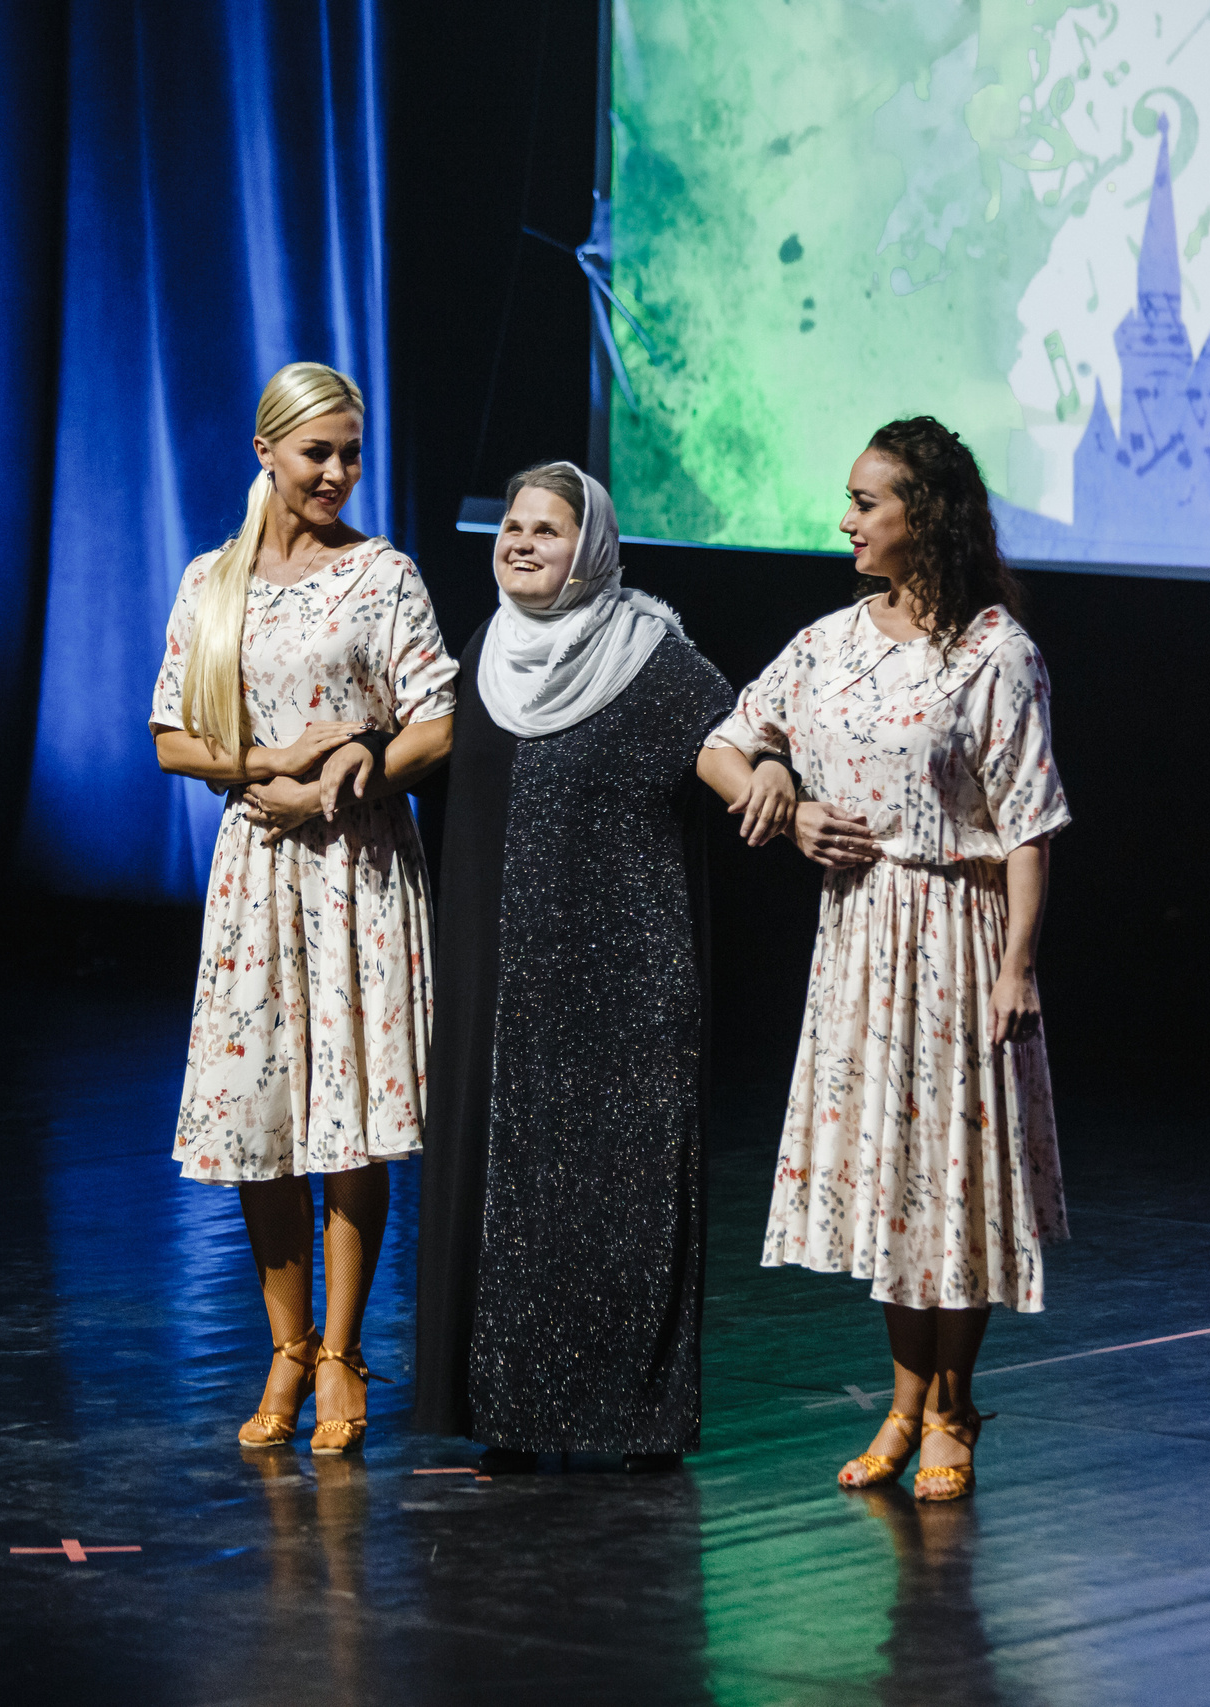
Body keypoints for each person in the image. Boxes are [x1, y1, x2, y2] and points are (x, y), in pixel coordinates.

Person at [695, 416, 1071, 1503]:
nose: (845, 520)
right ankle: (903, 1404)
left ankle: (953, 1406)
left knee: (953, 1180)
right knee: (890, 1185)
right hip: (858, 938)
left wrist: (1017, 964)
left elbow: (1029, 823)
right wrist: (781, 796)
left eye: (867, 502)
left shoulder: (994, 652)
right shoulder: (830, 640)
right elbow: (726, 740)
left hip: (958, 931)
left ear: (928, 515)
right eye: (849, 500)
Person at [149, 361, 455, 1455]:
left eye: (348, 454)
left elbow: (438, 719)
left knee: (347, 1120)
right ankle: (282, 1348)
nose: (333, 472)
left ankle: (341, 1351)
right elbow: (170, 734)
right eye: (315, 452)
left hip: (354, 869)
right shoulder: (209, 583)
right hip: (256, 875)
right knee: (260, 1118)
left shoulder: (384, 577)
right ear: (265, 451)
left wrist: (357, 768)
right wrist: (264, 760)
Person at [412, 461, 736, 1468]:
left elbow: (730, 748)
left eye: (545, 531)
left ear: (589, 548)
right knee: (510, 1202)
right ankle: (507, 1412)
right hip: (505, 985)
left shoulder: (654, 658)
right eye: (511, 526)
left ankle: (632, 1419)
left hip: (624, 981)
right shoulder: (486, 656)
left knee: (619, 1203)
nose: (518, 543)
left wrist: (775, 789)